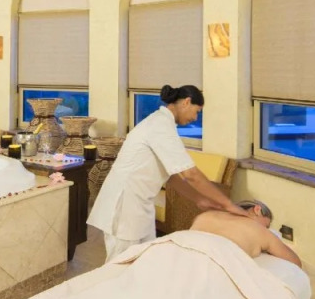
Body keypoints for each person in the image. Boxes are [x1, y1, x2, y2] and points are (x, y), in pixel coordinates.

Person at [87, 84, 254, 261]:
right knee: (120, 265)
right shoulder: (159, 126)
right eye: (197, 111)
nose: (195, 118)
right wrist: (228, 205)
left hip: (140, 205)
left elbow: (172, 176)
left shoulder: (164, 125)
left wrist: (199, 199)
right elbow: (191, 175)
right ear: (187, 102)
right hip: (124, 205)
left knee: (145, 263)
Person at [191, 199, 302, 267]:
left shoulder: (207, 215)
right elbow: (295, 262)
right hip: (213, 263)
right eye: (267, 225)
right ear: (257, 210)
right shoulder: (260, 230)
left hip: (184, 249)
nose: (266, 228)